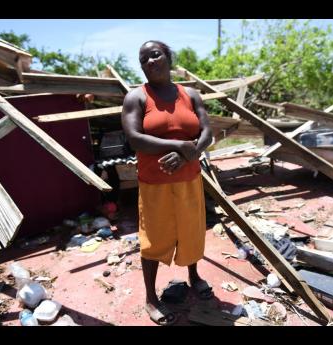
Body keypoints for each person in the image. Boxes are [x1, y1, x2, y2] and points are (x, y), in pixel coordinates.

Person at [121, 40, 213, 326]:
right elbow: (134, 138)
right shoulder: (136, 98)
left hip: (189, 178)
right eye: (144, 59)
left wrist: (189, 154)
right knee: (153, 239)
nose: (150, 61)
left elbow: (207, 131)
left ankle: (194, 276)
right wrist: (177, 147)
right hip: (154, 183)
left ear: (169, 58)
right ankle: (150, 297)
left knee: (191, 231)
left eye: (155, 54)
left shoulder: (191, 94)